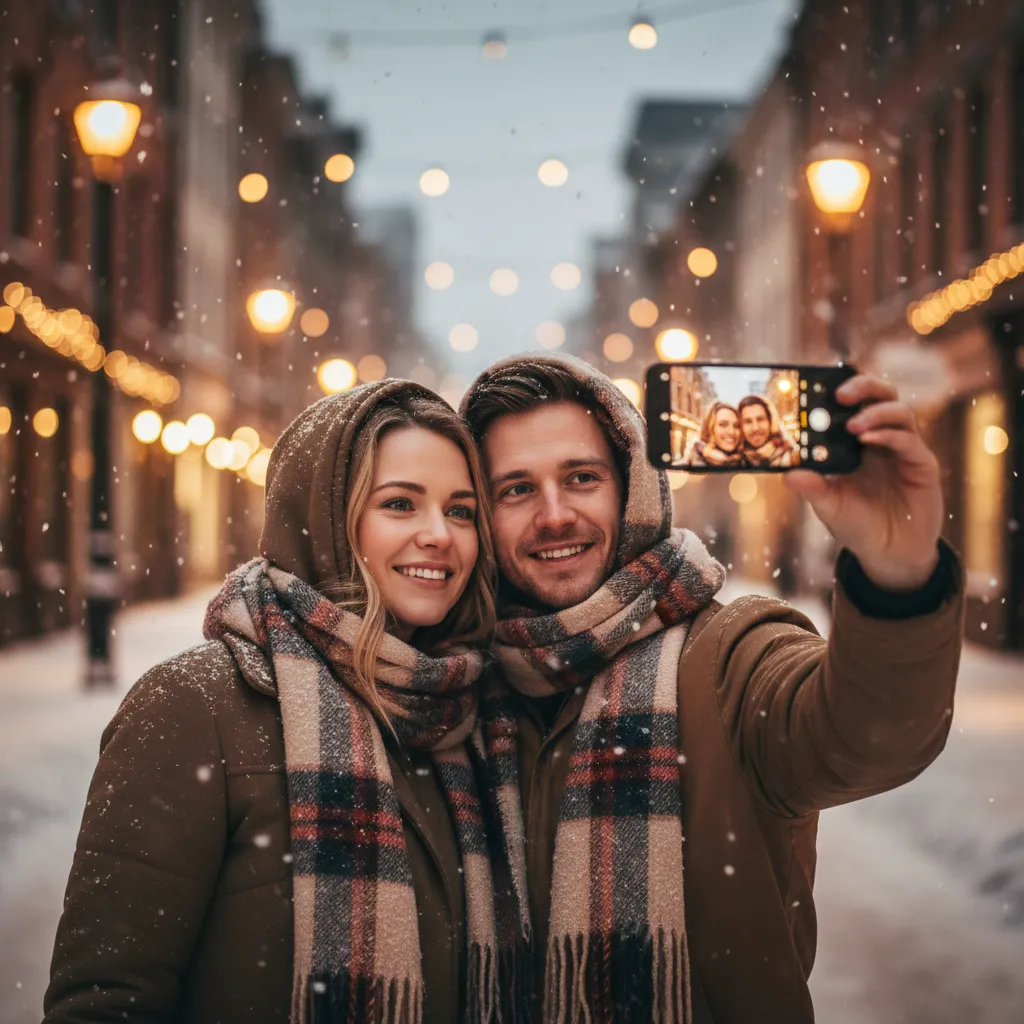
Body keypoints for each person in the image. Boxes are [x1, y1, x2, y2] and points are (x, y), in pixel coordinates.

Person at [461, 353, 962, 1023]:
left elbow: (869, 735)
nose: (555, 515)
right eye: (516, 490)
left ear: (630, 488)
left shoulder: (729, 656)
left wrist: (900, 577)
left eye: (582, 478)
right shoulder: (452, 689)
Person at [44, 381, 531, 1024]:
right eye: (399, 504)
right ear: (324, 519)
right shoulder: (193, 708)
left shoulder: (473, 717)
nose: (439, 534)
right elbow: (106, 999)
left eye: (462, 510)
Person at [737, 393, 800, 467]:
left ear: (771, 422)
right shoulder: (735, 461)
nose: (755, 428)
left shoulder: (793, 457)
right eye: (748, 421)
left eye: (760, 419)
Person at [685, 401, 744, 467]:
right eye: (723, 425)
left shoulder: (745, 463)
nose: (731, 432)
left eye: (736, 426)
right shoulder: (687, 467)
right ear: (709, 429)